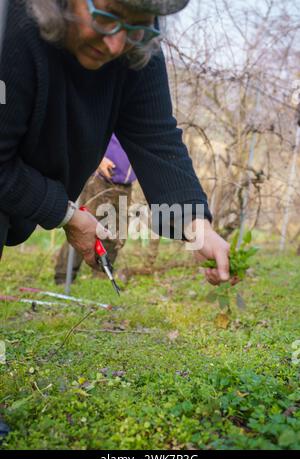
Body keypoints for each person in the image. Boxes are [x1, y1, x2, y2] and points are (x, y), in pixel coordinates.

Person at [0, 0, 232, 287]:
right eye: (108, 16)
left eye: (137, 26)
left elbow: (156, 138)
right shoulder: (9, 29)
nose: (115, 45)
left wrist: (198, 226)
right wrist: (66, 214)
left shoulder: (136, 44)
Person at [54, 133, 137, 284]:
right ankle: (63, 276)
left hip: (126, 184)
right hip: (100, 178)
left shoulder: (142, 122)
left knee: (116, 232)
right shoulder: (115, 113)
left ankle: (102, 275)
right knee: (83, 227)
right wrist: (98, 160)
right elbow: (90, 134)